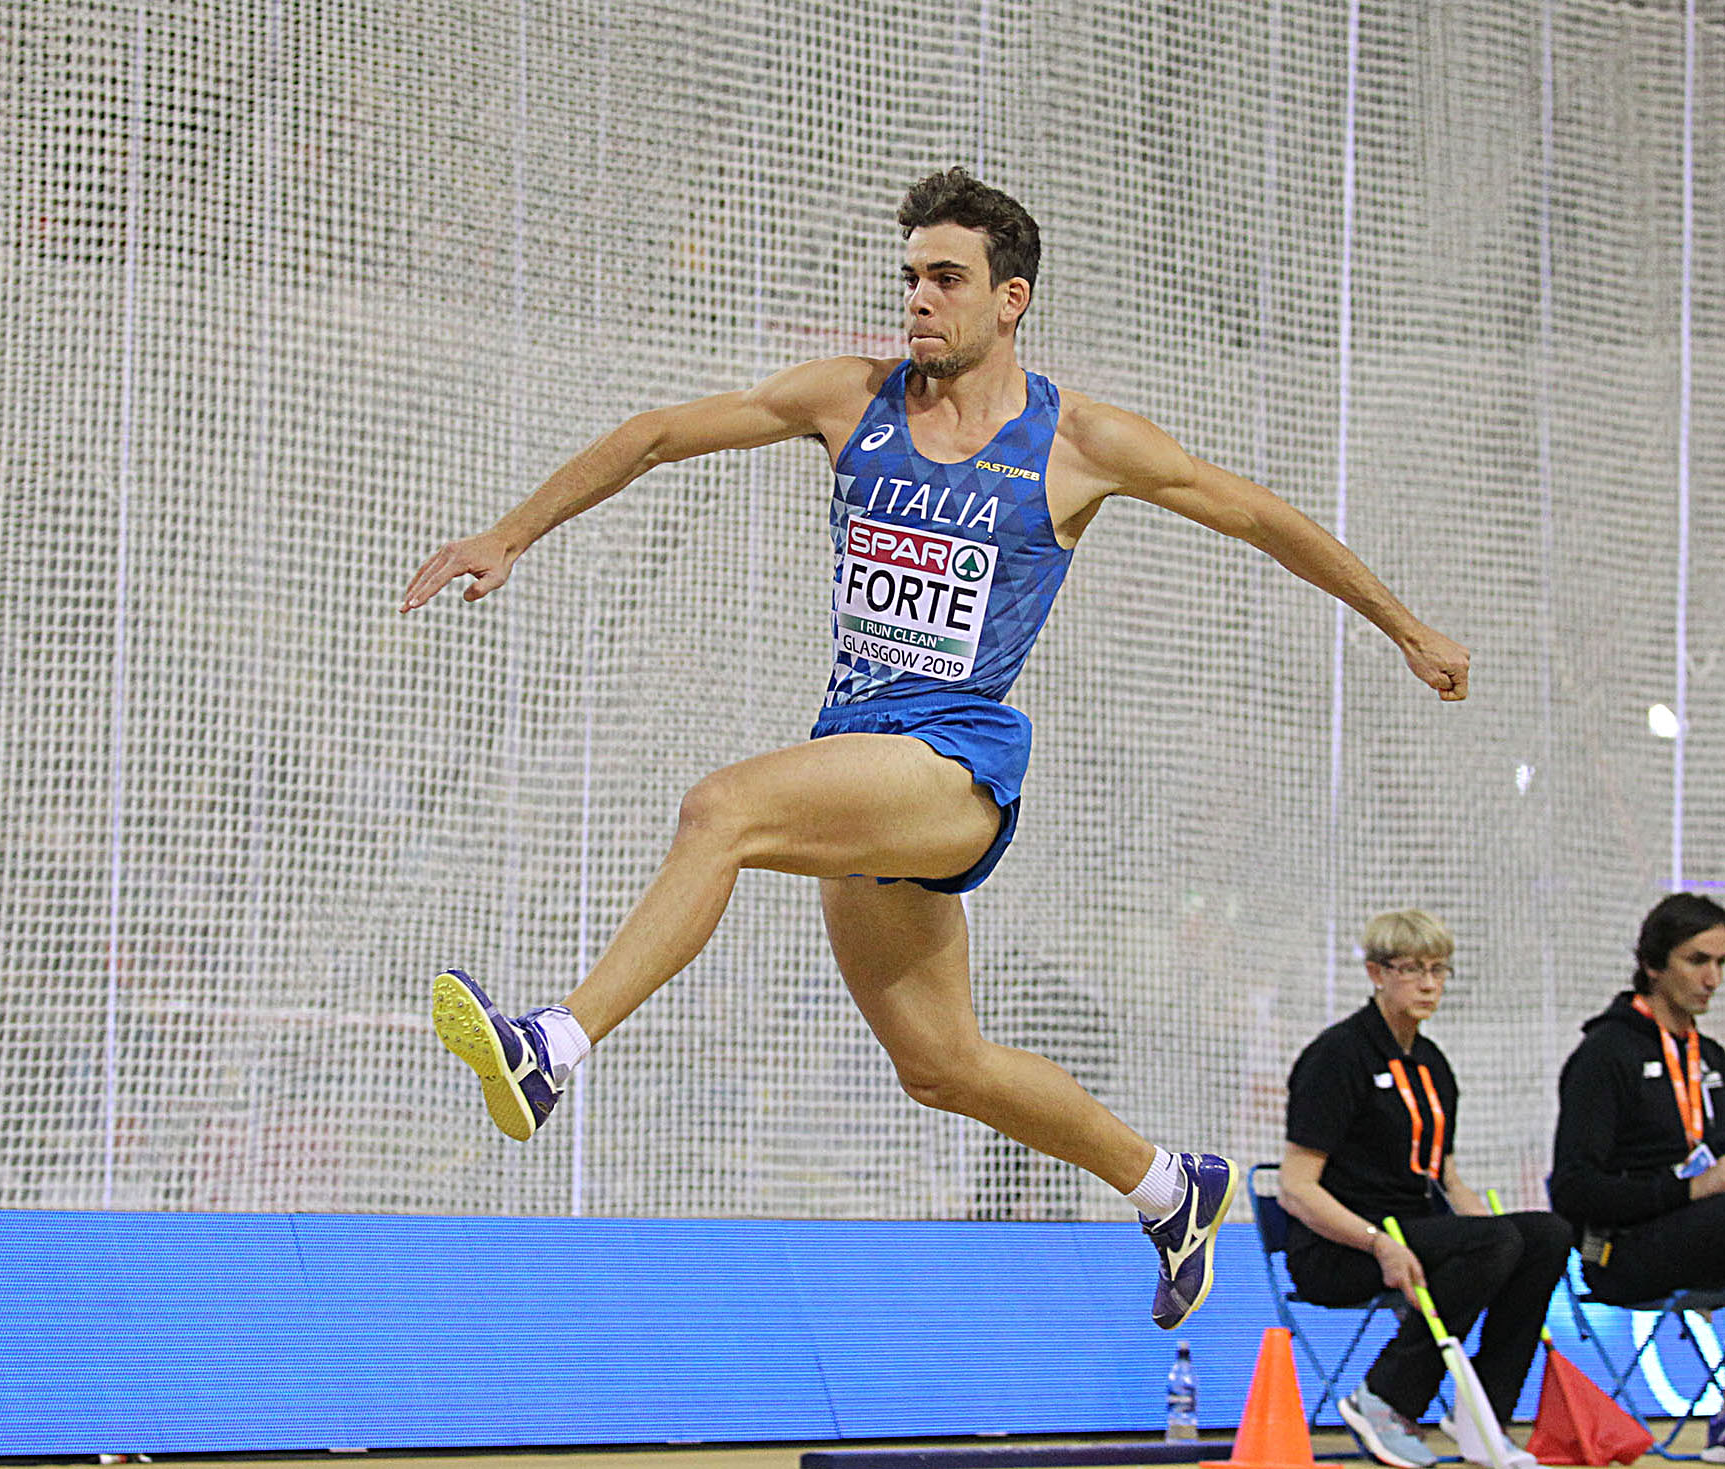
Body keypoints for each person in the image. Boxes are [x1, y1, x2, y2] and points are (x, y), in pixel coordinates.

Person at [401, 168, 1470, 1331]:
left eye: (946, 278)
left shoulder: (1079, 441)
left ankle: (553, 1044)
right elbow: (657, 434)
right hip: (862, 763)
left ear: (1011, 299)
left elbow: (1260, 513)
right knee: (943, 1066)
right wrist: (508, 532)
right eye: (911, 276)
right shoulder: (850, 397)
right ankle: (1171, 1185)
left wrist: (1405, 626)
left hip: (956, 763)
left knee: (721, 809)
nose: (918, 297)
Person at [1279, 910, 1570, 1469]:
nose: (1429, 984)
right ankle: (1385, 1398)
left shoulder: (1433, 1065)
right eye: (1411, 969)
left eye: (1439, 970)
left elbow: (1448, 1178)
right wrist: (1379, 1244)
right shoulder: (1337, 1057)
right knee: (1495, 1243)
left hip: (1419, 1231)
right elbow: (1295, 1188)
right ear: (1375, 973)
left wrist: (1501, 1234)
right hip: (1341, 1248)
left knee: (1546, 1234)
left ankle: (1484, 1414)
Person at [1551, 892, 1725, 1463]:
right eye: (1697, 961)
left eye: (1721, 963)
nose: (1712, 979)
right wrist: (1689, 1189)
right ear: (1653, 964)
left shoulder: (1711, 1059)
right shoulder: (1606, 1056)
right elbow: (1572, 1189)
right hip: (1618, 1249)